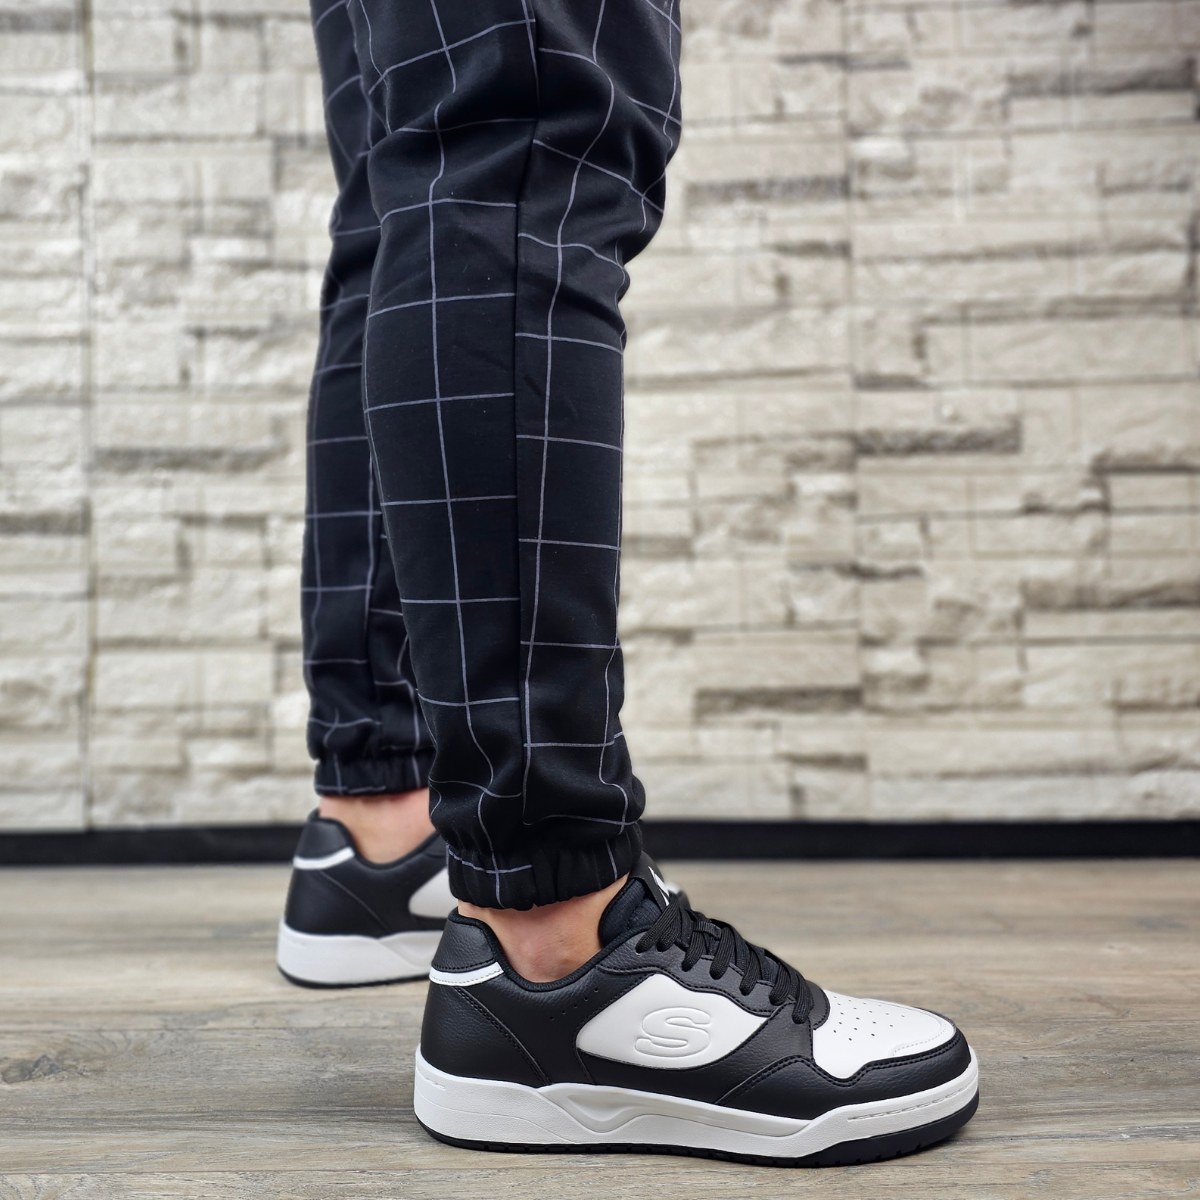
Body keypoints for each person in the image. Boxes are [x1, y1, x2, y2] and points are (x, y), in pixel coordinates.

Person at [275, 0, 979, 1165]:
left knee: (417, 184)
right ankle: (554, 936)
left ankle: (385, 815)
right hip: (549, 948)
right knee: (526, 124)